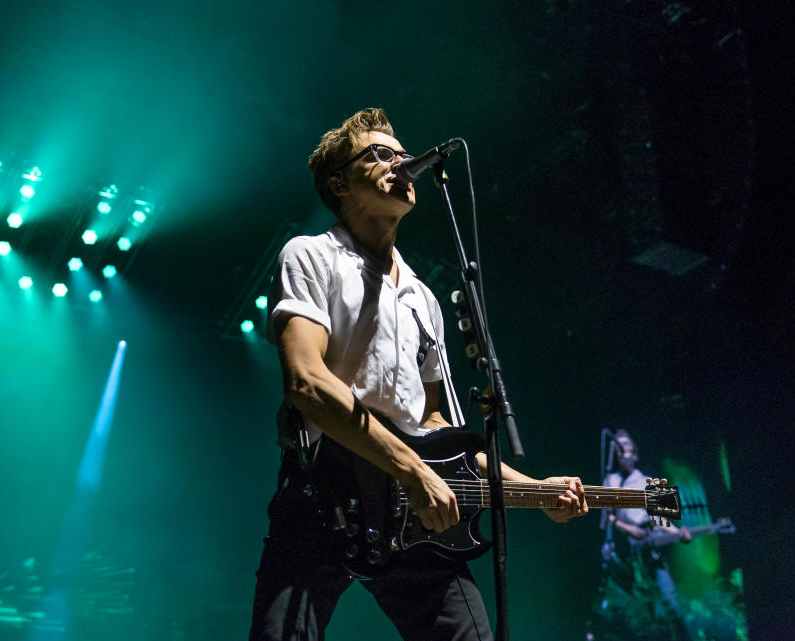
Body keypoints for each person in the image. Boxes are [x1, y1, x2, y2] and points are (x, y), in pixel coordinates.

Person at [248, 108, 589, 641]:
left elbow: (437, 431)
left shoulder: (423, 298)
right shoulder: (311, 256)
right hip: (320, 495)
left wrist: (535, 489)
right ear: (339, 182)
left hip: (410, 512)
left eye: (402, 154)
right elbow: (307, 383)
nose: (401, 163)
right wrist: (412, 468)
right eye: (381, 154)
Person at [600, 429, 692, 639]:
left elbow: (663, 520)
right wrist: (628, 529)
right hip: (623, 552)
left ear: (635, 455)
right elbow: (609, 518)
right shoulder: (610, 479)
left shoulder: (650, 481)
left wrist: (680, 533)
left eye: (627, 448)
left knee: (670, 603)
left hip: (649, 549)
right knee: (631, 611)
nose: (623, 452)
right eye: (619, 448)